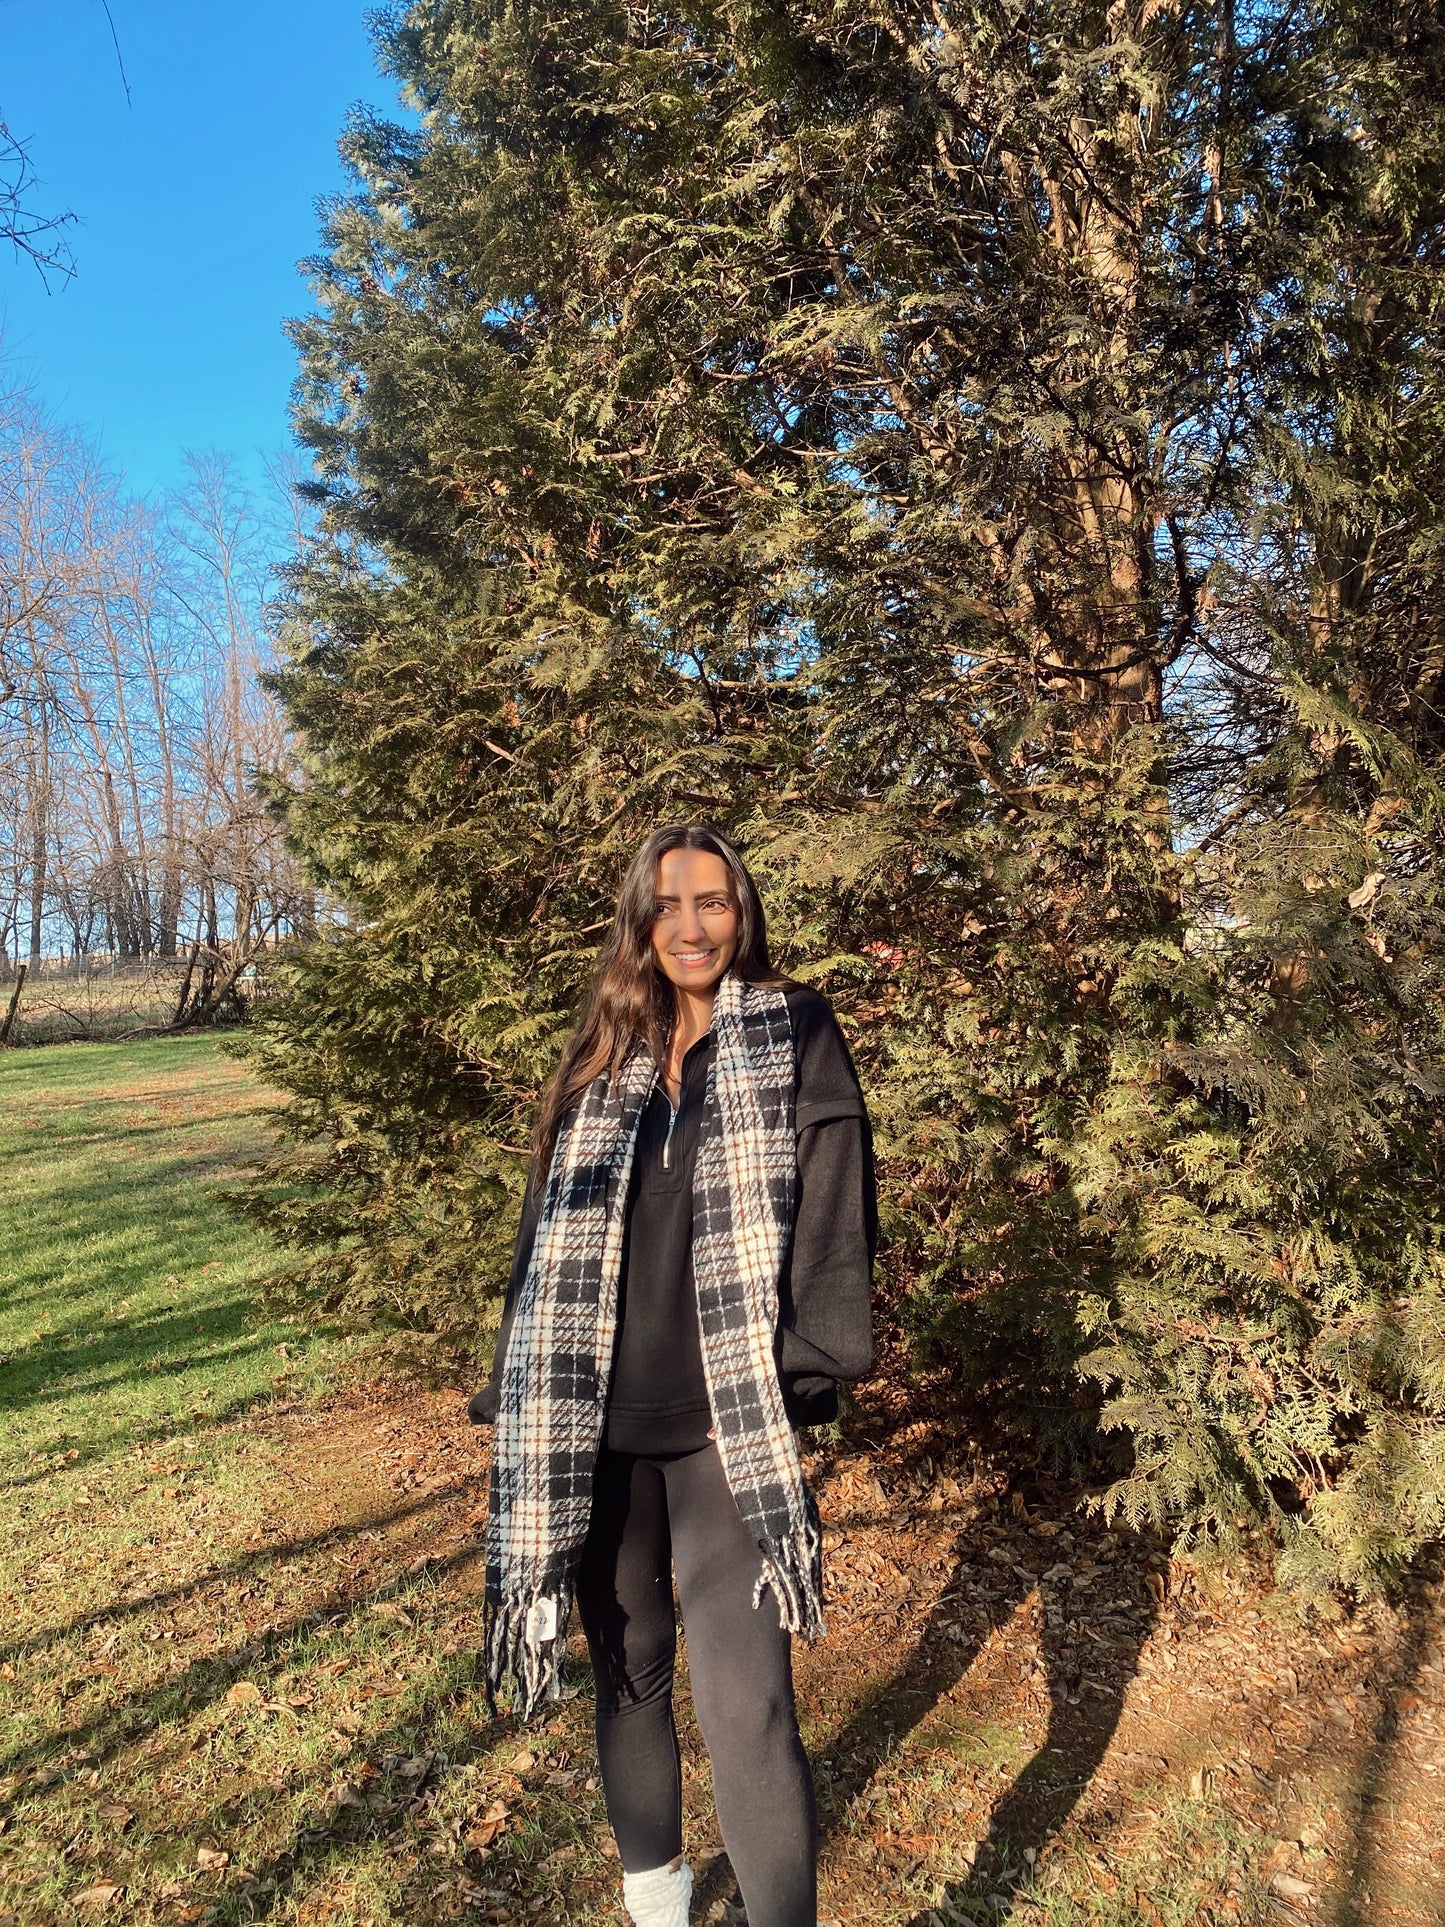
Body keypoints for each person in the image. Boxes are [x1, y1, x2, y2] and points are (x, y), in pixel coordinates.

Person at [469, 824, 875, 1927]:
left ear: (742, 912)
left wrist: (809, 1360)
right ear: (639, 922)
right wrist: (513, 1376)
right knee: (630, 1678)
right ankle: (658, 1907)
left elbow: (835, 1201)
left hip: (721, 1430)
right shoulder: (602, 1054)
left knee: (749, 1709)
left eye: (713, 902)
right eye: (667, 905)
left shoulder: (793, 1026)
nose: (690, 927)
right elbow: (539, 1237)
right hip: (594, 1428)